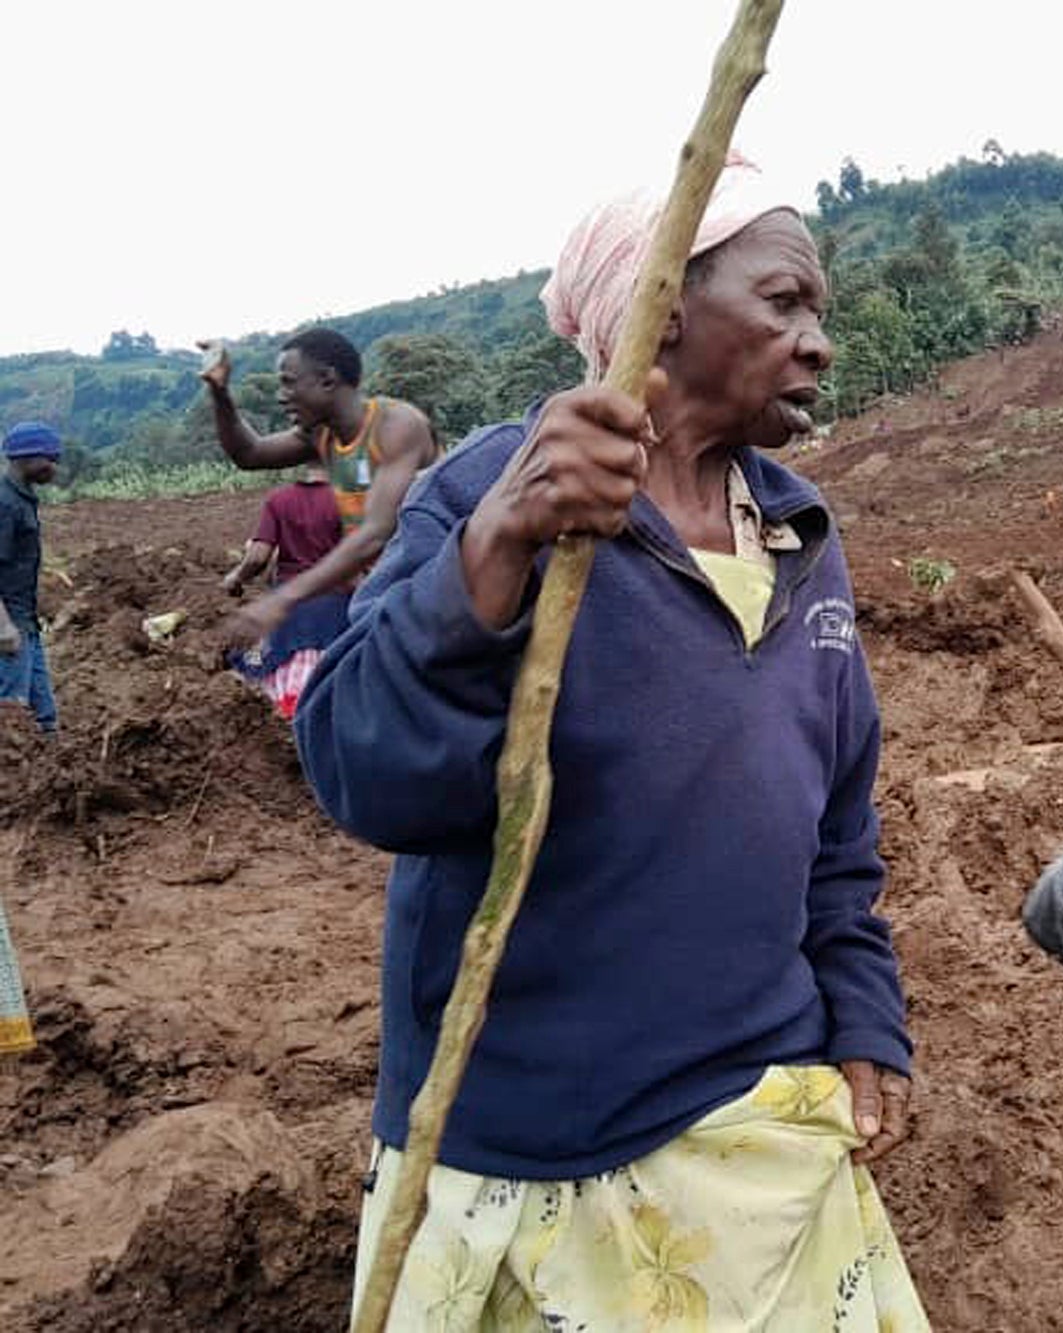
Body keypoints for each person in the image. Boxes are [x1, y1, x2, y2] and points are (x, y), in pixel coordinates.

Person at [294, 157, 928, 1330]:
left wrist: (863, 1016)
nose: (818, 342)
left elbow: (836, 828)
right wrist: (498, 546)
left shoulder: (799, 533)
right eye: (784, 302)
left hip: (756, 1130)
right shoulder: (493, 489)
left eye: (818, 314)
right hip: (534, 1146)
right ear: (666, 303)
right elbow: (362, 771)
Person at [199, 327, 435, 651]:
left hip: (432, 594)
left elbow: (376, 533)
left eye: (288, 382)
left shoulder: (396, 426)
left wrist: (282, 599)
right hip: (381, 596)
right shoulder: (322, 435)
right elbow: (249, 454)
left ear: (326, 379)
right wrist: (220, 393)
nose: (281, 396)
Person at [220, 463, 347, 720]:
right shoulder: (352, 501)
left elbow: (257, 557)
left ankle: (283, 709)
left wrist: (235, 578)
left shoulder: (280, 500)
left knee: (256, 659)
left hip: (289, 609)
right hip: (339, 610)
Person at [0, 421, 62, 733]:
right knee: (12, 717)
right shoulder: (5, 504)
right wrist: (4, 627)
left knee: (45, 718)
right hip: (8, 628)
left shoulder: (21, 499)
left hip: (25, 624)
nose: (55, 466)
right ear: (27, 458)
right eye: (50, 459)